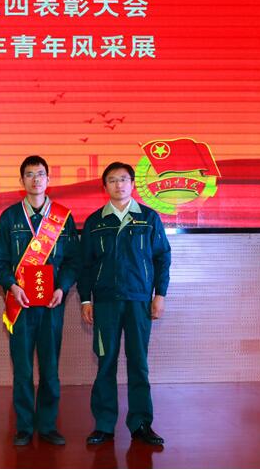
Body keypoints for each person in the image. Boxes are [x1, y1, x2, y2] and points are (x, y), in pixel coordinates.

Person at [0, 155, 80, 446]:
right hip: (21, 306)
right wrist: (12, 286)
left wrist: (62, 288)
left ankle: (48, 426)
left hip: (52, 305)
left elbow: (73, 261)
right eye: (29, 174)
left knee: (50, 369)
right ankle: (25, 427)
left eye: (40, 174)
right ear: (21, 180)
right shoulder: (10, 217)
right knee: (23, 370)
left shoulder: (63, 217)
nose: (35, 179)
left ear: (48, 179)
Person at [78, 161, 171, 446]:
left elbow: (162, 258)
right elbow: (85, 264)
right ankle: (104, 425)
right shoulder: (95, 222)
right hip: (105, 303)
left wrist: (159, 295)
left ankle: (141, 423)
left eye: (123, 179)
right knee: (105, 362)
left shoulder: (148, 218)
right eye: (112, 180)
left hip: (138, 301)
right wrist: (85, 299)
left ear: (132, 184)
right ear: (104, 186)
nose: (118, 185)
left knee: (138, 363)